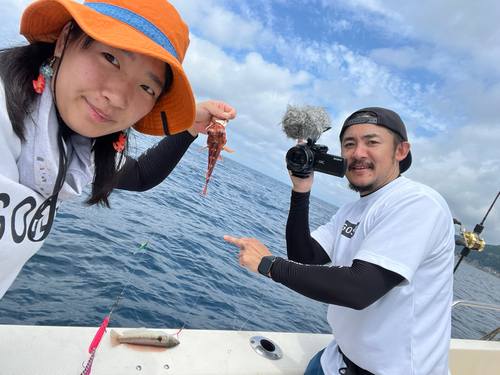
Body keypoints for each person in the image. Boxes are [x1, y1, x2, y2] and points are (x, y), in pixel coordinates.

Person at [0, 0, 236, 299]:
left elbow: (139, 176)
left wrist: (190, 127)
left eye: (147, 88)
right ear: (65, 39)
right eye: (110, 57)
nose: (117, 97)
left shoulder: (73, 144)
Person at [224, 107, 455, 375]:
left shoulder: (418, 203)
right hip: (335, 360)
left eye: (372, 142)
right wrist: (301, 191)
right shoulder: (351, 210)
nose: (358, 153)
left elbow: (359, 289)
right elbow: (305, 257)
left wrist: (269, 265)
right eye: (349, 144)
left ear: (400, 151)